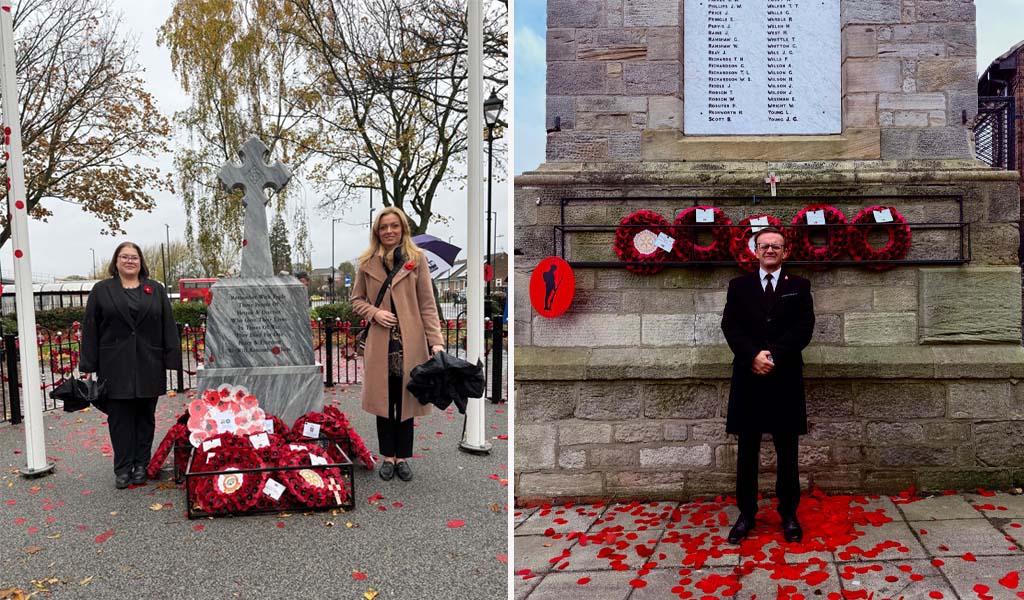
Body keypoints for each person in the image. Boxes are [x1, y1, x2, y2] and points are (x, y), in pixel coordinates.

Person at [720, 226, 815, 543]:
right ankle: (746, 514)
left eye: (776, 246)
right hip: (749, 376)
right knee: (747, 450)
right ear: (755, 250)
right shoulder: (738, 286)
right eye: (764, 245)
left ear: (786, 251)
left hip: (784, 376)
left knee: (787, 449)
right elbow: (730, 326)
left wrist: (772, 355)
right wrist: (751, 356)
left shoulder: (799, 286)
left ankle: (789, 514)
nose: (770, 250)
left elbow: (804, 328)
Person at [351, 207, 444, 482]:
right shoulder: (366, 263)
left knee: (405, 403)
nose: (389, 231)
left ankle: (402, 456)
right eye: (383, 227)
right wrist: (375, 313)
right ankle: (387, 456)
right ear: (377, 232)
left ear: (402, 228)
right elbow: (356, 300)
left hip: (410, 344)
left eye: (394, 226)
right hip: (381, 345)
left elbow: (427, 304)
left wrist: (435, 342)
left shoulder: (417, 261)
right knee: (384, 402)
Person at [80, 242, 181, 489]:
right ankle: (123, 467)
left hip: (149, 363)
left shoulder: (154, 289)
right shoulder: (102, 290)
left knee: (145, 417)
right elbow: (90, 328)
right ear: (116, 262)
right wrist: (88, 365)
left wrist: (172, 360)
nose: (129, 261)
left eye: (133, 257)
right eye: (124, 257)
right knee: (120, 419)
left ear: (140, 262)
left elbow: (167, 324)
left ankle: (141, 465)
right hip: (114, 365)